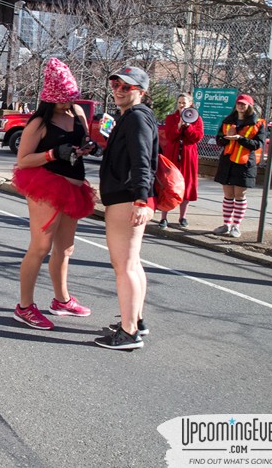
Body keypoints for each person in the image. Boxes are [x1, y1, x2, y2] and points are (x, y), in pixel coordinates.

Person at [11, 59, 97, 331]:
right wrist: (52, 154)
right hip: (47, 185)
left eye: (70, 98)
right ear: (49, 98)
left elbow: (83, 141)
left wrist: (86, 147)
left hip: (74, 186)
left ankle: (62, 300)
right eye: (62, 99)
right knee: (40, 247)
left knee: (66, 248)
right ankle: (24, 307)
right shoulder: (39, 122)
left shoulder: (78, 114)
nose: (67, 103)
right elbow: (23, 160)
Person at [95, 66, 158, 350]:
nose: (118, 89)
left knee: (124, 266)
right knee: (131, 263)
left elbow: (142, 160)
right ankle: (136, 321)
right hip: (126, 196)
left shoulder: (136, 118)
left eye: (127, 87)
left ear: (141, 92)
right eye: (116, 84)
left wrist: (141, 199)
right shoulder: (131, 117)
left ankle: (129, 332)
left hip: (128, 198)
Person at [213, 94, 266, 238]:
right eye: (239, 104)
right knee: (228, 194)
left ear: (250, 106)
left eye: (244, 104)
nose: (241, 106)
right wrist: (226, 139)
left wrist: (240, 139)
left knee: (239, 195)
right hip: (228, 161)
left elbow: (258, 144)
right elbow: (218, 140)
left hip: (244, 163)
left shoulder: (258, 123)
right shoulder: (227, 121)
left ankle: (236, 226)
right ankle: (226, 224)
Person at [159, 93, 204, 228]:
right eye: (179, 102)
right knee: (169, 184)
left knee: (187, 185)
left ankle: (182, 217)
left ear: (190, 104)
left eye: (184, 102)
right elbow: (170, 136)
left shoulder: (197, 119)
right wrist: (179, 126)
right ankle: (163, 217)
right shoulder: (171, 118)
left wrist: (188, 127)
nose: (181, 105)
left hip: (188, 157)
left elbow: (197, 137)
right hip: (172, 155)